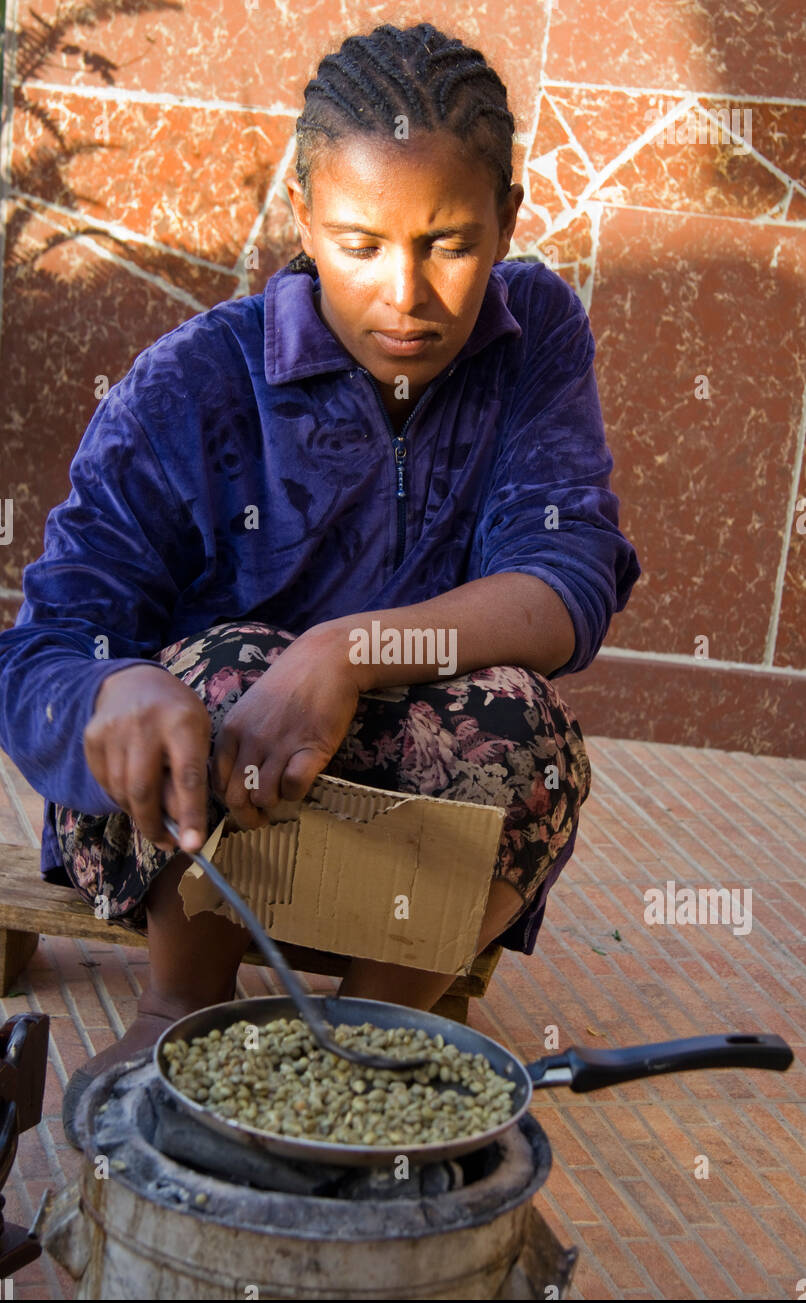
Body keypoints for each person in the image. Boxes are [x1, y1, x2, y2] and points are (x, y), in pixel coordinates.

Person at [0, 22, 641, 1147]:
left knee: (522, 729)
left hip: (403, 811)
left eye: (448, 243)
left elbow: (564, 575)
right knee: (227, 664)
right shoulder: (196, 379)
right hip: (190, 826)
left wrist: (343, 651)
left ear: (509, 219)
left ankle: (373, 1034)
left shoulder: (533, 332)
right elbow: (46, 644)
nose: (407, 295)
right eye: (357, 244)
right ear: (301, 220)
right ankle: (178, 1001)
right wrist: (111, 693)